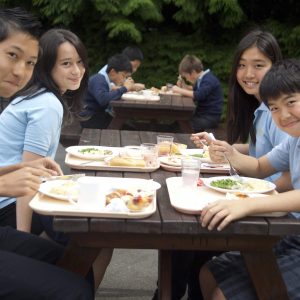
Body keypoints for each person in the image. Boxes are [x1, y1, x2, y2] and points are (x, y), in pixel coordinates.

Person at [161, 30, 289, 300]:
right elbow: (261, 156)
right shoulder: (264, 110)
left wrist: (251, 193)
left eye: (258, 65)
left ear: (275, 67)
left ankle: (169, 292)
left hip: (279, 218)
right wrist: (222, 147)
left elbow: (284, 174)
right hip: (266, 205)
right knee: (198, 247)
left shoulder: (282, 114)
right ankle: (169, 291)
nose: (248, 73)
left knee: (197, 238)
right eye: (242, 65)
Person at [0, 7, 94, 299]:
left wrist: (11, 172)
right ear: (50, 67)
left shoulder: (29, 98)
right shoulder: (47, 105)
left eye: (29, 62)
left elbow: (26, 171)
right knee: (77, 275)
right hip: (7, 207)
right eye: (12, 55)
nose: (19, 71)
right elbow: (25, 185)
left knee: (77, 263)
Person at [199, 58, 300, 300]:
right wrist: (228, 153)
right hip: (293, 235)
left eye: (291, 102)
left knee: (223, 295)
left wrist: (246, 204)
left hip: (293, 235)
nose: (283, 114)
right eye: (274, 107)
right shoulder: (293, 139)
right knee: (209, 273)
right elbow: (258, 166)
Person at [80, 53, 135, 128]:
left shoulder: (106, 80)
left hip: (96, 116)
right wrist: (124, 88)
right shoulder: (99, 79)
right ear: (112, 72)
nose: (124, 80)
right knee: (124, 127)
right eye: (123, 76)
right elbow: (103, 99)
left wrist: (123, 89)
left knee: (126, 125)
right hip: (89, 119)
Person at [172, 54, 223, 132]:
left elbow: (198, 95)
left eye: (186, 76)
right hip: (202, 115)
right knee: (179, 122)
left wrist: (178, 90)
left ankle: (187, 142)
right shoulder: (202, 79)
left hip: (209, 117)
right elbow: (194, 90)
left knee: (184, 126)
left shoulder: (209, 80)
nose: (186, 79)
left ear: (192, 72)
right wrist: (183, 85)